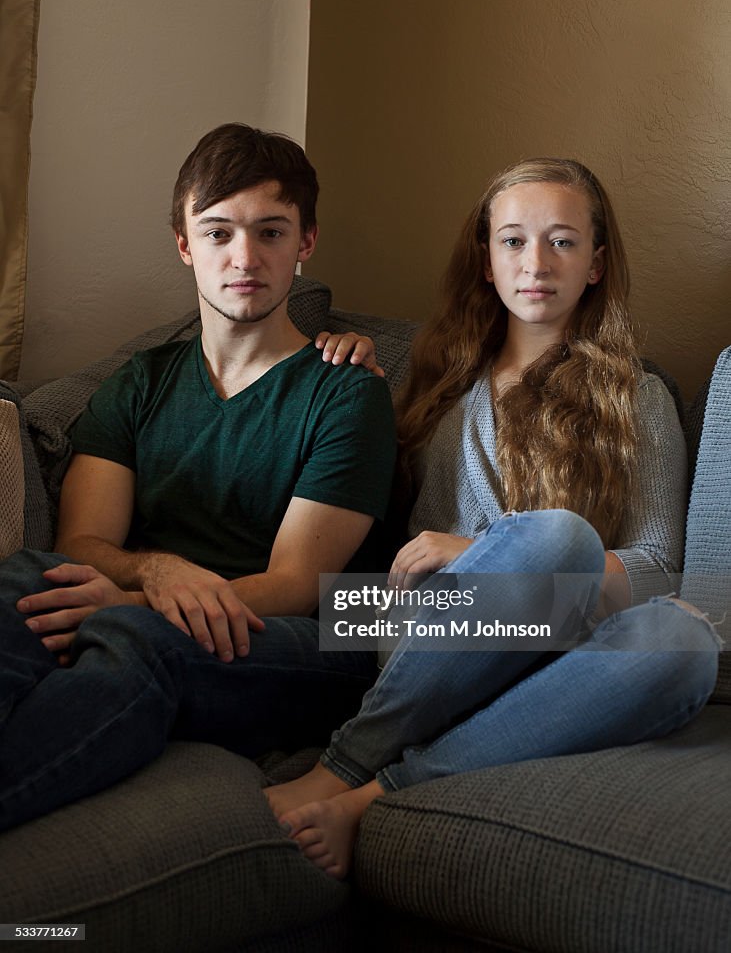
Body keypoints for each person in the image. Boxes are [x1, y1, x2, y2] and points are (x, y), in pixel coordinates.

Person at [264, 157, 720, 878]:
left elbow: (662, 571)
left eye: (562, 241)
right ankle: (342, 764)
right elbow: (379, 590)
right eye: (512, 240)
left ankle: (373, 794)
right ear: (485, 259)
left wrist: (486, 551)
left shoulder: (638, 398)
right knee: (552, 538)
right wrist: (343, 371)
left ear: (596, 263)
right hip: (426, 641)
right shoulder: (435, 387)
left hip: (569, 655)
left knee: (683, 640)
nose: (535, 262)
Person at [0, 123, 396, 830]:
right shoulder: (139, 382)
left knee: (139, 640)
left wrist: (139, 605)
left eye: (270, 232)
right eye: (217, 233)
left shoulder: (345, 391)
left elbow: (296, 586)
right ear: (184, 245)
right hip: (155, 605)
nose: (243, 257)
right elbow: (82, 545)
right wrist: (155, 574)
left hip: (299, 642)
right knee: (26, 577)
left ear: (305, 243)